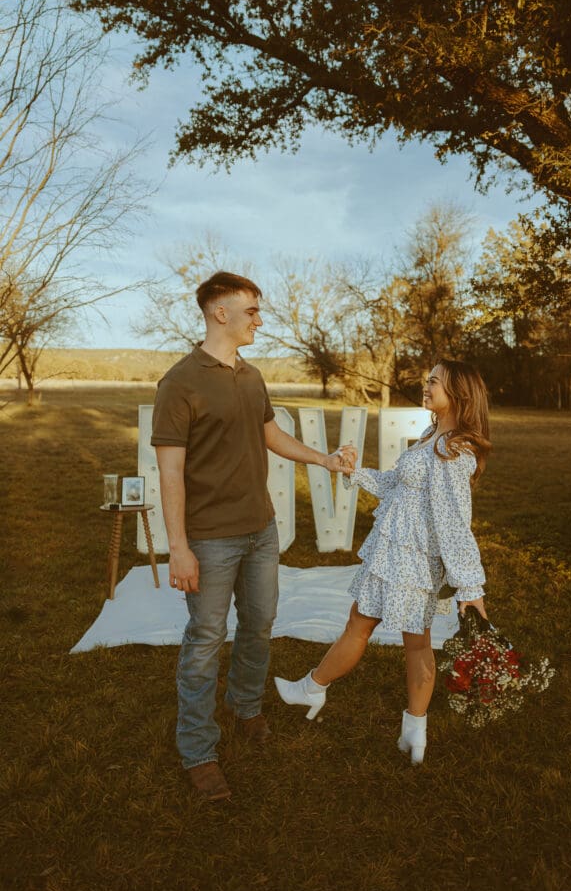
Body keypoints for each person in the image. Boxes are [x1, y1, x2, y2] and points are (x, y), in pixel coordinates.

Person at [151, 271, 355, 801]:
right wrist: (179, 548)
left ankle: (245, 707)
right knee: (204, 643)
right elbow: (169, 474)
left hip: (261, 530)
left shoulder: (252, 375)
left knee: (260, 624)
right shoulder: (179, 382)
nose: (259, 321)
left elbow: (270, 434)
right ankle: (198, 751)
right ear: (220, 312)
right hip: (210, 539)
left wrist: (325, 459)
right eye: (252, 311)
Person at [275, 359, 491, 764]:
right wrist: (353, 473)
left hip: (413, 562)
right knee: (392, 635)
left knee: (382, 633)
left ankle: (317, 689)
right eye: (427, 381)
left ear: (458, 395)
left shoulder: (452, 450)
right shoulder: (433, 436)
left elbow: (454, 523)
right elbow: (395, 484)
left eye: (434, 383)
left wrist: (470, 587)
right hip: (394, 555)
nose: (425, 387)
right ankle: (412, 731)